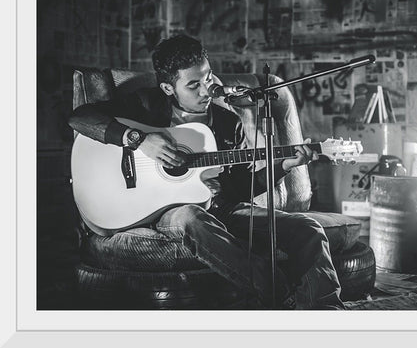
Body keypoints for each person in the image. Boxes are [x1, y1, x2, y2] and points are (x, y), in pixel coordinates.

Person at [68, 34, 345, 310]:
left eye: (208, 78)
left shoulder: (226, 121)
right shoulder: (144, 105)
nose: (206, 90)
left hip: (219, 208)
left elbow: (240, 186)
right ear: (168, 88)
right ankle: (278, 295)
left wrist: (282, 167)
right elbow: (80, 118)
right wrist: (138, 139)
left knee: (308, 228)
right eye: (193, 85)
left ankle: (326, 313)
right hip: (166, 211)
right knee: (192, 217)